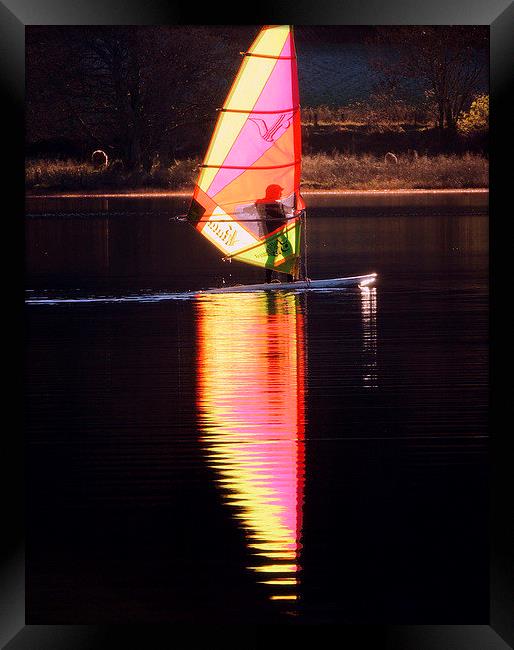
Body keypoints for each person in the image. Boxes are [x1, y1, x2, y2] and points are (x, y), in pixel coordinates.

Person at [255, 184, 294, 283]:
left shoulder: (276, 203)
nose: (281, 194)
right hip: (270, 235)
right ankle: (268, 281)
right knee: (273, 256)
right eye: (279, 192)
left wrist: (295, 204)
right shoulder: (265, 203)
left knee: (289, 254)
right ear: (273, 193)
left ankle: (289, 279)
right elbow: (280, 217)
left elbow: (285, 215)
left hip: (279, 235)